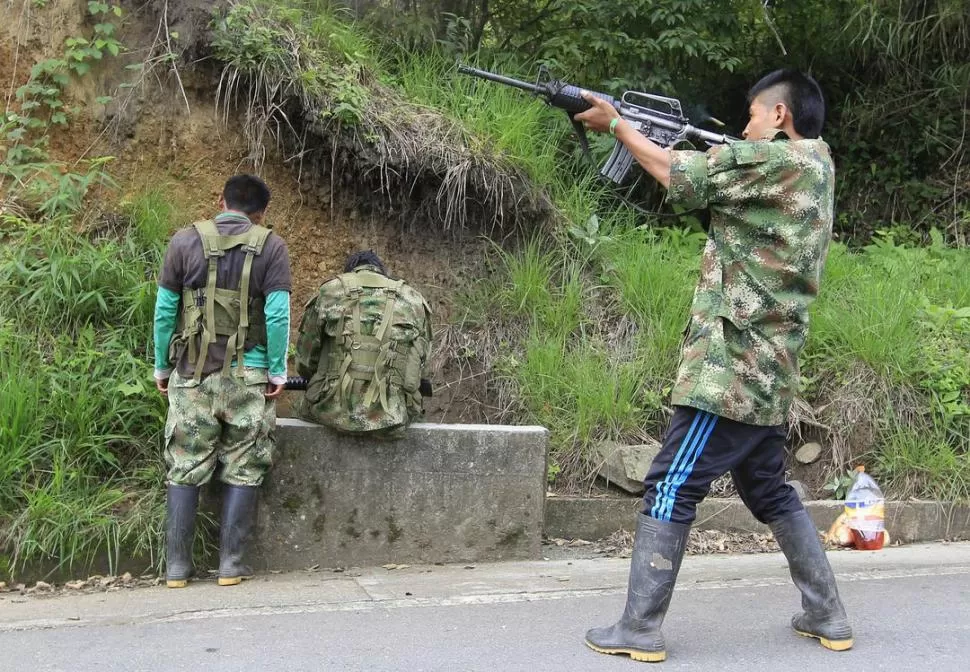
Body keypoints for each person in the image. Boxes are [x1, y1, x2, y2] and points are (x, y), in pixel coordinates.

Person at [574, 69, 851, 661]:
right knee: (770, 491)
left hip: (731, 368)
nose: (746, 127)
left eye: (753, 115)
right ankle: (827, 614)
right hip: (771, 370)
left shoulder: (779, 160)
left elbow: (675, 172)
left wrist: (616, 123)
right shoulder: (815, 167)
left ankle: (640, 629)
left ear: (780, 117)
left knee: (671, 483)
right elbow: (715, 203)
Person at [153, 174, 291, 589]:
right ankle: (230, 565)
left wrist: (162, 366)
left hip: (192, 375)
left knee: (184, 465)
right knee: (244, 466)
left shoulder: (183, 241)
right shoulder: (272, 245)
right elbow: (279, 315)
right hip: (248, 376)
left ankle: (177, 569)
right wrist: (277, 369)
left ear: (221, 200)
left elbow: (164, 312)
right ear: (261, 213)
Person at [296, 250, 433, 439]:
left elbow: (306, 360)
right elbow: (420, 365)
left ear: (350, 272)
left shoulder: (329, 292)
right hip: (393, 416)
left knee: (302, 407)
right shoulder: (413, 299)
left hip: (330, 410)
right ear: (381, 272)